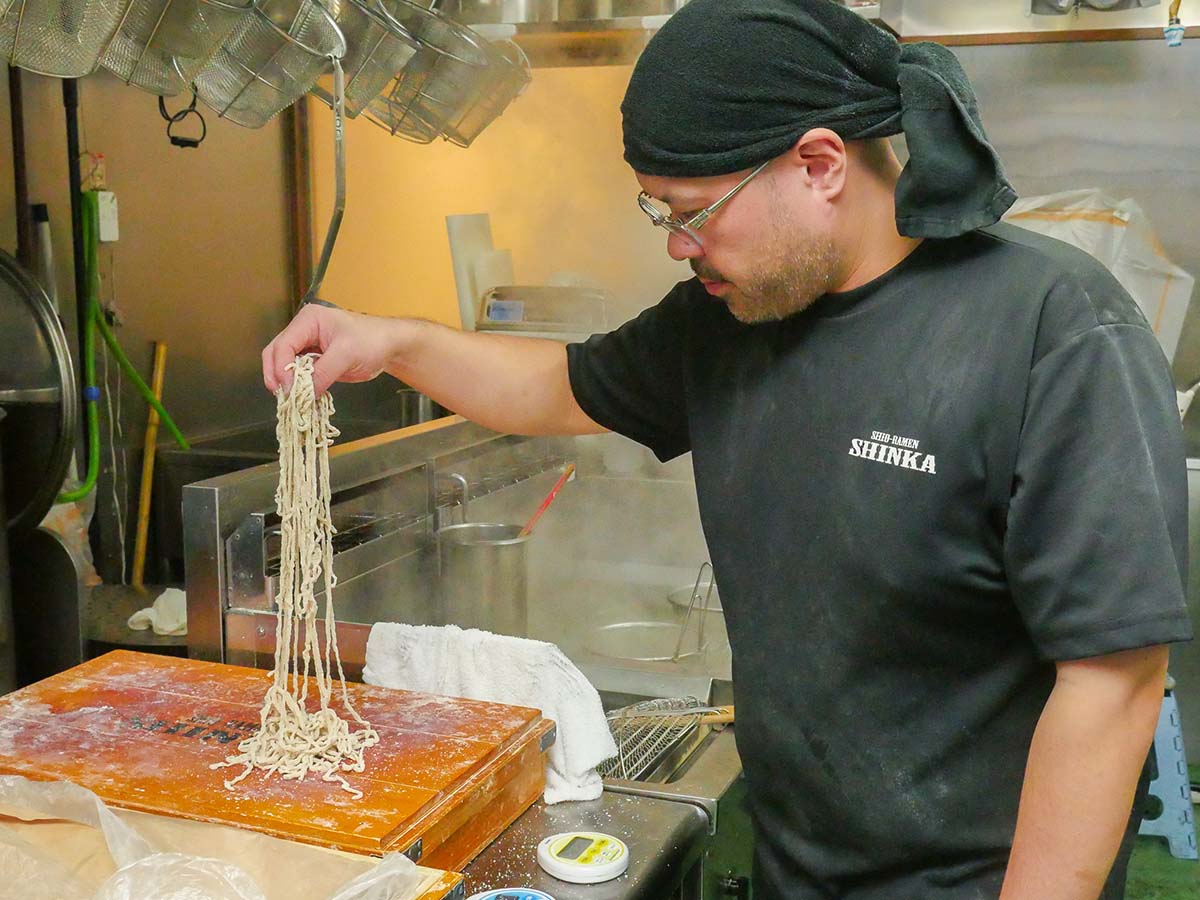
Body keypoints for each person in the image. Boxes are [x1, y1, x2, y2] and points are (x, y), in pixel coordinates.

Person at [263, 2, 1193, 897]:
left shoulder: (1051, 330)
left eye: (693, 210)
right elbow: (557, 384)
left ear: (820, 163)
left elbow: (1113, 677)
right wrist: (387, 340)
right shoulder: (729, 319)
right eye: (659, 213)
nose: (678, 246)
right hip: (800, 866)